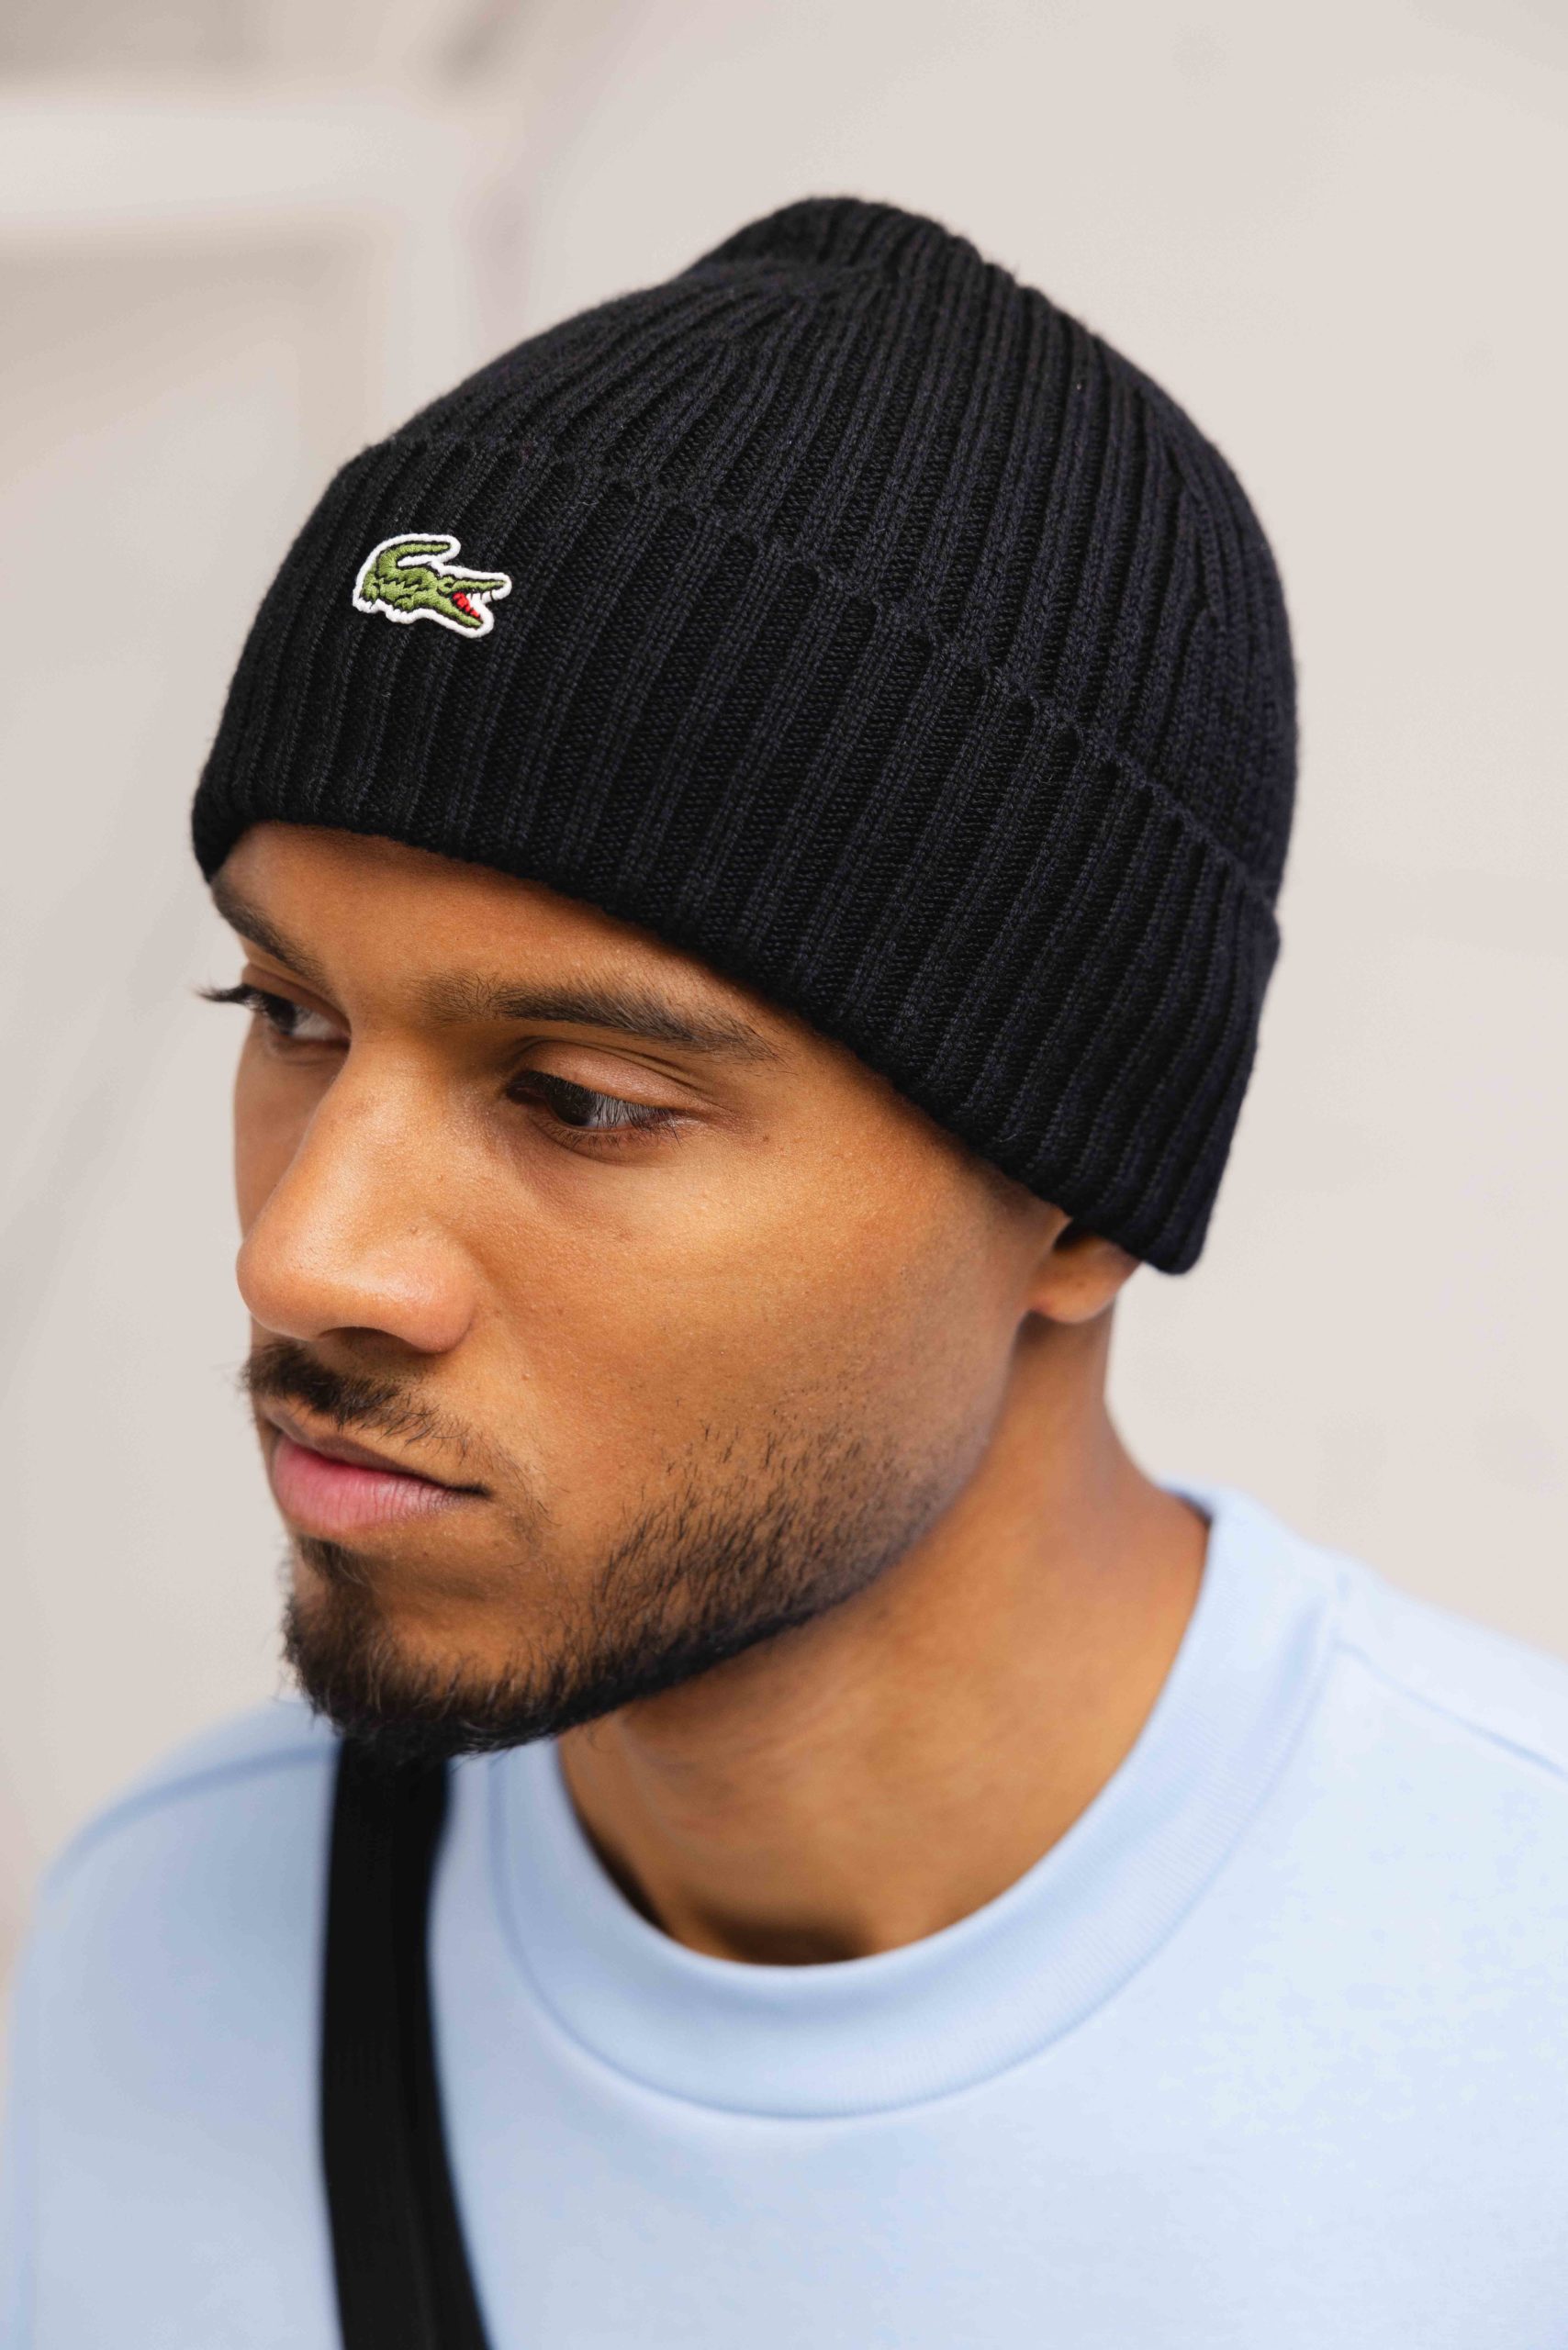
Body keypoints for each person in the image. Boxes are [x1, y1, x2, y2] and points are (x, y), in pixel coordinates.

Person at [4, 195, 1565, 2348]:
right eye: (287, 1013)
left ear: (1072, 1197)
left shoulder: (1513, 2016)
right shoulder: (154, 1967)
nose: (303, 1254)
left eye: (577, 1097)